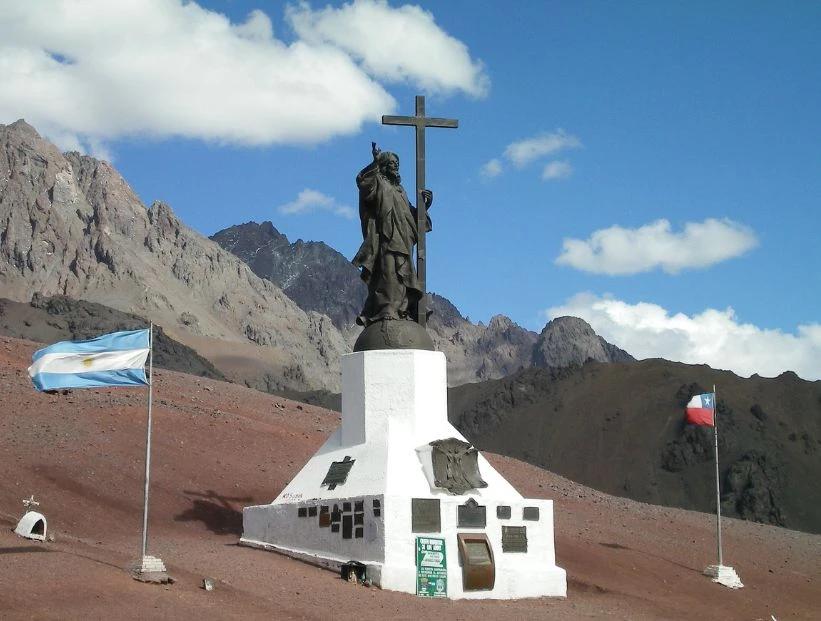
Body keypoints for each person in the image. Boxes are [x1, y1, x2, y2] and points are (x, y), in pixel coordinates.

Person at [352, 142, 433, 327]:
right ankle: (386, 309)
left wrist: (424, 206)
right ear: (383, 166)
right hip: (386, 237)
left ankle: (404, 310)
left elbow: (410, 214)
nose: (395, 167)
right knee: (388, 273)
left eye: (397, 164)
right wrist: (375, 162)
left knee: (403, 275)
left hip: (403, 239)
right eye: (391, 164)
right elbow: (363, 183)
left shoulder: (400, 191)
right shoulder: (379, 183)